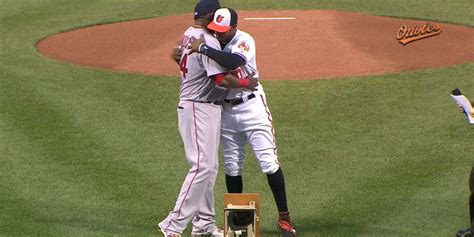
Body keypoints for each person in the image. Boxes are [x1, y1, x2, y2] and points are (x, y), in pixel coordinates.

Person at [188, 7, 297, 236]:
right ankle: (239, 225)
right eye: (215, 29)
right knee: (232, 165)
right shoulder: (214, 41)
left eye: (223, 31)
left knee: (268, 162)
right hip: (226, 112)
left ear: (234, 28)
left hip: (252, 108)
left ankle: (284, 218)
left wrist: (205, 49)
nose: (218, 34)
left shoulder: (244, 40)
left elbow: (232, 61)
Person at [158, 1, 257, 237]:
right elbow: (220, 80)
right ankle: (173, 226)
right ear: (212, 16)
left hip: (205, 108)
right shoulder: (208, 40)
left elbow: (182, 59)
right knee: (202, 167)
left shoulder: (188, 34)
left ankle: (204, 225)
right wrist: (246, 83)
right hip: (198, 108)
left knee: (209, 168)